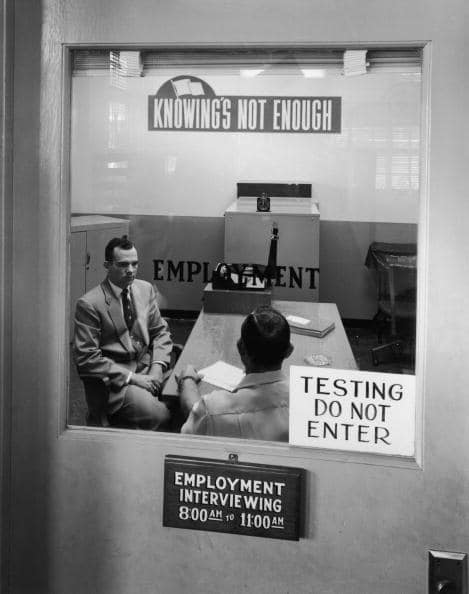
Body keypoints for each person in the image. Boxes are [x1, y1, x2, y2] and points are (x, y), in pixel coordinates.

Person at [74, 235, 173, 429]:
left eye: (135, 264)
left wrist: (157, 368)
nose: (130, 271)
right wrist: (133, 378)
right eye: (123, 265)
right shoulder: (89, 304)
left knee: (186, 394)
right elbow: (86, 359)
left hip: (146, 365)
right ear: (107, 265)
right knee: (161, 415)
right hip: (116, 381)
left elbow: (160, 332)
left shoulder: (144, 289)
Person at [178, 305, 293, 441]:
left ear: (240, 348)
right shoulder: (307, 401)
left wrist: (187, 379)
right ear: (289, 351)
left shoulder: (212, 408)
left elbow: (194, 420)